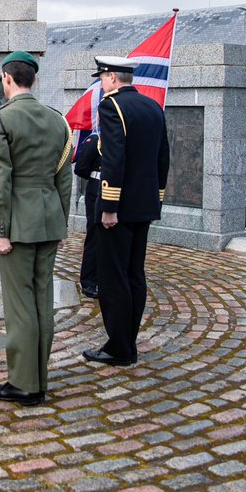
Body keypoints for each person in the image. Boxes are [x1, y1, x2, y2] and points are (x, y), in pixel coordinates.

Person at [0, 50, 73, 406]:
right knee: (41, 301)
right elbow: (64, 179)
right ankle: (39, 377)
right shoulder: (56, 120)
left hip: (17, 225)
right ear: (32, 79)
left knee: (20, 305)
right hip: (49, 220)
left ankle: (24, 384)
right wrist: (61, 223)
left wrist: (0, 231)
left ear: (7, 79)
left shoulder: (0, 119)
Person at [82, 56, 169, 368]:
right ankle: (127, 341)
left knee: (112, 277)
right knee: (134, 275)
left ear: (112, 78)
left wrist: (108, 207)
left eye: (102, 78)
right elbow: (163, 158)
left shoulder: (111, 106)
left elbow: (114, 159)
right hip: (143, 207)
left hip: (118, 211)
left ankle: (119, 347)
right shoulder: (153, 107)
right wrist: (154, 200)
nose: (101, 83)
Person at [73, 131, 102, 298]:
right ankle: (89, 281)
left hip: (116, 190)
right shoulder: (95, 140)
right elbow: (81, 167)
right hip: (96, 189)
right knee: (95, 236)